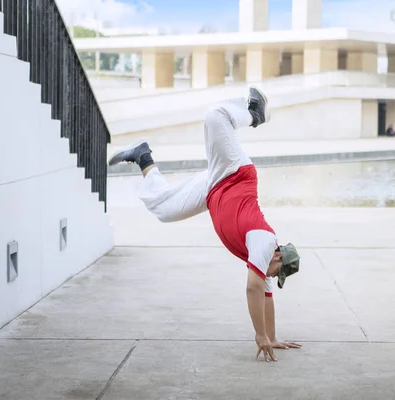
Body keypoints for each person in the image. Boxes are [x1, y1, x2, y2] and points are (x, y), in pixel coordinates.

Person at [108, 87, 301, 362]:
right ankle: (253, 113)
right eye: (276, 271)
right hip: (233, 174)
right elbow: (253, 290)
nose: (271, 276)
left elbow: (266, 297)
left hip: (212, 191)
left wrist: (272, 337)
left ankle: (143, 157)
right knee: (215, 117)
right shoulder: (265, 243)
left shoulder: (263, 263)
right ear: (279, 255)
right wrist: (260, 336)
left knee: (164, 210)